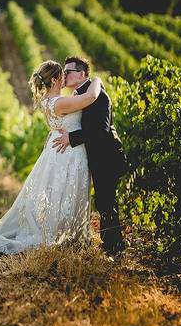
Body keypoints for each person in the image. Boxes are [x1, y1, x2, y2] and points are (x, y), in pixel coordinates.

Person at [0, 60, 99, 256]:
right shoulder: (60, 102)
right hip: (67, 153)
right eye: (63, 75)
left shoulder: (47, 101)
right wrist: (97, 79)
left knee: (59, 192)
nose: (66, 78)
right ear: (56, 79)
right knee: (63, 191)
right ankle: (62, 235)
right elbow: (91, 96)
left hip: (58, 149)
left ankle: (67, 235)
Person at [50, 56, 129, 256]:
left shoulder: (98, 96)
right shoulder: (81, 94)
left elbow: (100, 130)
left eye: (69, 71)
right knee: (103, 200)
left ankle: (114, 246)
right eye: (64, 72)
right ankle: (112, 243)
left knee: (106, 200)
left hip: (107, 156)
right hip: (95, 156)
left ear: (82, 74)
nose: (65, 75)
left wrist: (72, 138)